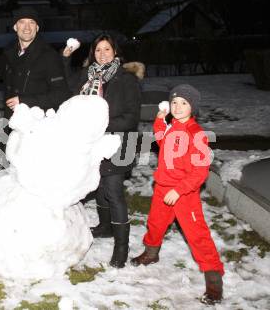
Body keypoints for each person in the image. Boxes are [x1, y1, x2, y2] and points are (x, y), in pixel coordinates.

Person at [130, 84, 224, 305]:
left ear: (193, 107)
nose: (178, 106)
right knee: (155, 223)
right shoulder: (172, 127)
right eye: (174, 102)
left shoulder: (196, 134)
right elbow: (162, 140)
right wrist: (159, 121)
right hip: (163, 187)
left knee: (197, 234)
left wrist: (179, 190)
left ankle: (214, 279)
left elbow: (200, 171)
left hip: (184, 193)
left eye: (184, 102)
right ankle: (151, 254)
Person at [62, 33, 143, 268]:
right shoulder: (87, 77)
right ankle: (105, 227)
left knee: (114, 192)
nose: (102, 54)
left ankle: (121, 248)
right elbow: (66, 85)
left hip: (117, 144)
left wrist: (100, 124)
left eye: (107, 49)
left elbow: (130, 118)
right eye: (98, 50)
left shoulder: (126, 79)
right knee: (98, 186)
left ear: (115, 52)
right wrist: (66, 59)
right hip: (92, 144)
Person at [0, 7, 70, 119]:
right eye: (22, 22)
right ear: (15, 27)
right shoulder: (10, 53)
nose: (27, 27)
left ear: (37, 28)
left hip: (39, 125)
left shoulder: (49, 56)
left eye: (32, 22)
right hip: (13, 122)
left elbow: (62, 94)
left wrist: (25, 101)